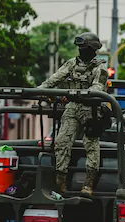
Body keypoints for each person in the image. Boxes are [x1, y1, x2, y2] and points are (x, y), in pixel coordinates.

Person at [40, 32, 109, 196]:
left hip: (91, 109)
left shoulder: (100, 68)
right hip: (73, 107)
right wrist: (39, 90)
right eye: (79, 48)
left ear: (92, 49)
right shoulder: (72, 63)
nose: (81, 51)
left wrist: (80, 93)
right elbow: (54, 79)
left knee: (91, 146)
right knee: (62, 141)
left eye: (84, 48)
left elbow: (97, 88)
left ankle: (88, 184)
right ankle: (60, 182)